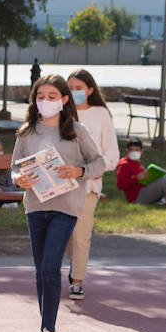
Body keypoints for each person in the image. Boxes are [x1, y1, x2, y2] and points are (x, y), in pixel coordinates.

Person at [11, 74, 106, 332]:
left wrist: (78, 172)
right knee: (41, 269)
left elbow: (99, 162)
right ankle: (43, 329)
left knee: (51, 266)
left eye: (52, 96)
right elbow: (14, 168)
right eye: (41, 96)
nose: (46, 101)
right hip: (36, 206)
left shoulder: (77, 131)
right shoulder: (27, 132)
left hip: (66, 206)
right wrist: (19, 180)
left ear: (64, 100)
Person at [62, 69, 120, 301]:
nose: (75, 92)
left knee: (82, 235)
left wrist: (90, 171)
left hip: (88, 186)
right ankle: (73, 261)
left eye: (79, 88)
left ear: (90, 90)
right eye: (70, 88)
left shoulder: (101, 114)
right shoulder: (61, 114)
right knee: (64, 235)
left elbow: (112, 154)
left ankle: (77, 280)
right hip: (61, 186)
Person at [115, 139, 166, 207]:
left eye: (137, 150)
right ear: (127, 150)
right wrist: (136, 178)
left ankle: (162, 202)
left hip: (147, 191)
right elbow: (121, 185)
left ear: (142, 151)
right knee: (163, 181)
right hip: (137, 197)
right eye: (132, 150)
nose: (134, 152)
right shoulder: (124, 164)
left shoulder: (137, 163)